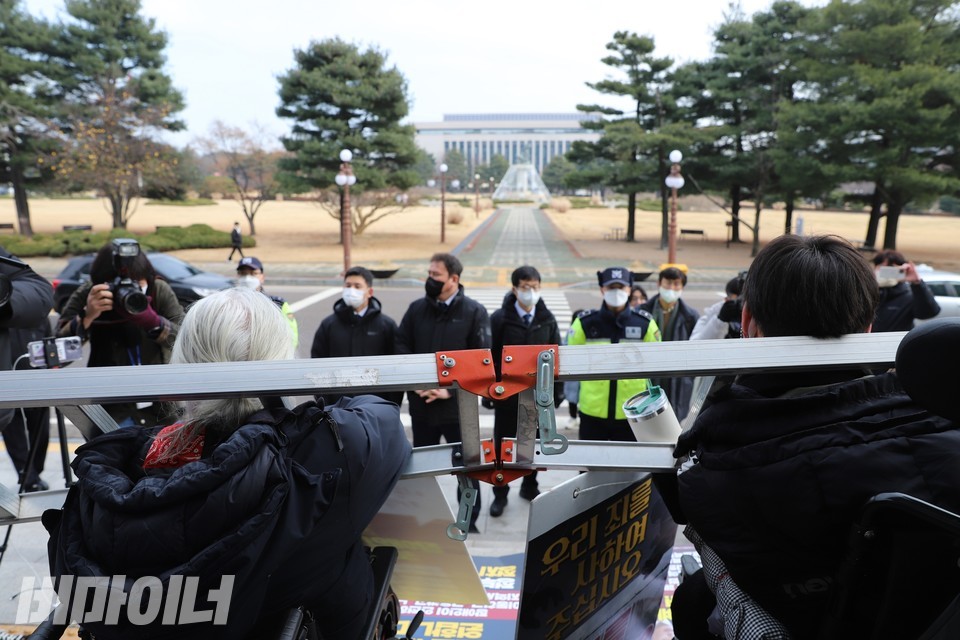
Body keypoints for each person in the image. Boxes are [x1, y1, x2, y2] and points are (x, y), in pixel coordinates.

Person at [43, 287, 411, 640]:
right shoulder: (319, 454)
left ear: (181, 362)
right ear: (280, 364)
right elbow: (381, 418)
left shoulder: (119, 470)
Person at [668, 235, 960, 638]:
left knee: (691, 601)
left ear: (748, 323)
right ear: (868, 328)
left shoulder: (714, 473)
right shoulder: (944, 425)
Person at [395, 252, 490, 533]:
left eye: (436, 275)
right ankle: (423, 521)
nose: (430, 279)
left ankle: (468, 521)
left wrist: (450, 392)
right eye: (429, 273)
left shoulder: (474, 312)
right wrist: (417, 384)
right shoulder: (416, 310)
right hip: (422, 406)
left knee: (467, 468)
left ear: (454, 279)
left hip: (458, 409)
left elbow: (483, 361)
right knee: (422, 468)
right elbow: (401, 346)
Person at [56, 240, 183, 427]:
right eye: (118, 285)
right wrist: (87, 316)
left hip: (160, 407)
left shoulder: (158, 290)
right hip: (110, 408)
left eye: (137, 282)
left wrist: (153, 322)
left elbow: (187, 341)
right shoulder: (90, 293)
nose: (129, 290)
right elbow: (58, 356)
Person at [486, 265, 562, 517]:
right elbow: (490, 357)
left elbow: (557, 358)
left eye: (535, 287)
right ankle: (500, 493)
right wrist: (490, 392)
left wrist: (557, 393)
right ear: (514, 288)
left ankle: (530, 485)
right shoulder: (499, 319)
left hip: (538, 397)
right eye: (525, 287)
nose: (530, 292)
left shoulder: (547, 319)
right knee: (503, 447)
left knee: (535, 444)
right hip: (507, 397)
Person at [567, 267, 660, 442]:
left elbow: (657, 369)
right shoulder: (584, 324)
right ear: (602, 289)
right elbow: (568, 365)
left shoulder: (645, 325)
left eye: (621, 287)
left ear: (630, 289)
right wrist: (571, 401)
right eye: (611, 287)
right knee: (590, 466)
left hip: (633, 412)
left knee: (630, 467)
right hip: (592, 413)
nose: (616, 292)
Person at [0, 247, 54, 490]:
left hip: (34, 379)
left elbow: (48, 336)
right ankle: (28, 475)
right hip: (9, 381)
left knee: (39, 428)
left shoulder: (30, 308)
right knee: (14, 432)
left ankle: (35, 471)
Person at [311, 266, 401, 406]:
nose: (351, 290)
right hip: (337, 407)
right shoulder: (329, 325)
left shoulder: (386, 325)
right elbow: (317, 364)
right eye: (348, 285)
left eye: (357, 286)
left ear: (369, 292)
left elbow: (396, 367)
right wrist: (325, 402)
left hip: (375, 406)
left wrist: (390, 404)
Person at [641, 267, 699, 421]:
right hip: (649, 372)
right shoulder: (643, 312)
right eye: (668, 283)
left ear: (682, 287)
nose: (671, 288)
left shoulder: (690, 316)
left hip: (677, 377)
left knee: (672, 421)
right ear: (659, 283)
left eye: (676, 284)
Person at [236, 256, 298, 347]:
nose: (247, 278)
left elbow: (292, 337)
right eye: (243, 273)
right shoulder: (228, 304)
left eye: (253, 273)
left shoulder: (278, 304)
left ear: (262, 277)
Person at [872, 249, 940, 331]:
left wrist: (917, 283)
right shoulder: (866, 293)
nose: (886, 273)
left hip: (897, 342)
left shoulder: (907, 296)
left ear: (900, 270)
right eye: (882, 268)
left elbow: (929, 312)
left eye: (890, 269)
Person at [690, 273, 744, 341]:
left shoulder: (758, 311)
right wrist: (720, 321)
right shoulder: (717, 311)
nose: (742, 305)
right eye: (738, 300)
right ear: (726, 299)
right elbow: (695, 342)